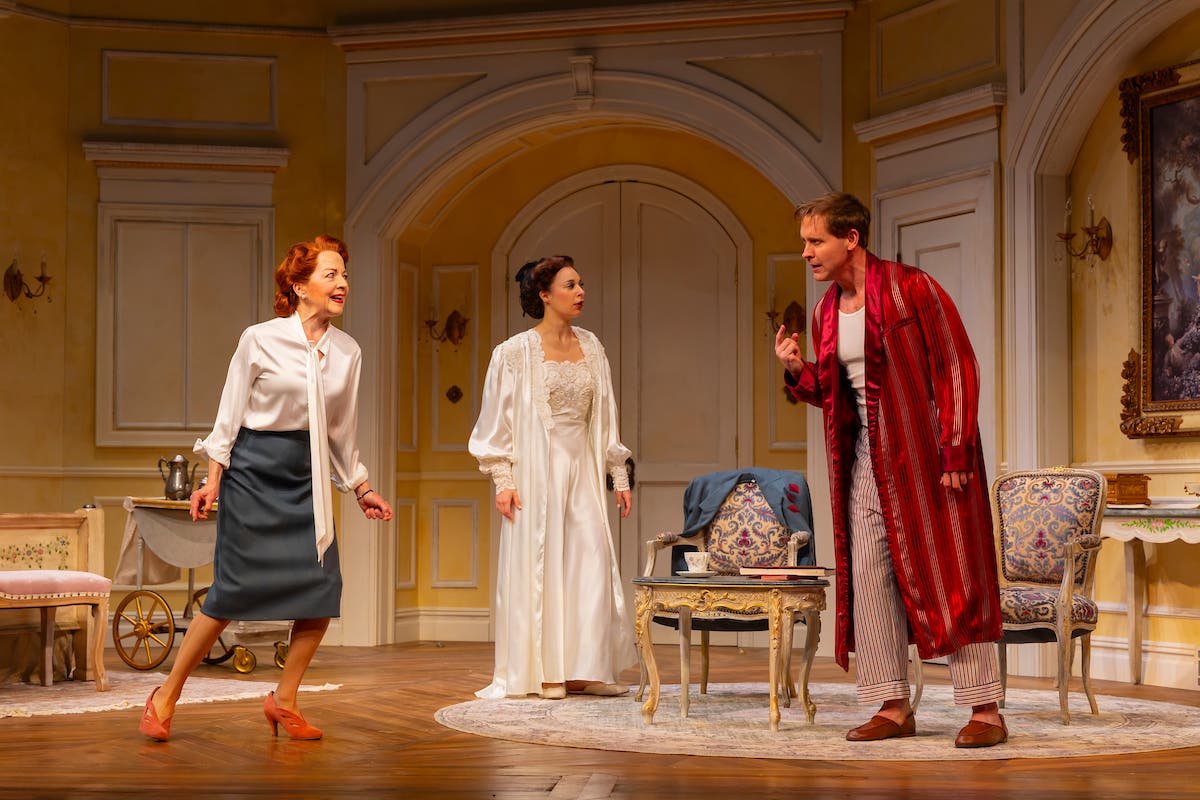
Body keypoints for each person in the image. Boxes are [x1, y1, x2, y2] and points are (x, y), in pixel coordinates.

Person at [138, 234, 393, 742]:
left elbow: (341, 429)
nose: (342, 284)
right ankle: (165, 695)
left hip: (307, 477)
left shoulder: (348, 352)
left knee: (320, 592)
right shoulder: (259, 339)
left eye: (345, 276)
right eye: (330, 275)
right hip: (254, 474)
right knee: (231, 591)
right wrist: (212, 480)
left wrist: (360, 486)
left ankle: (285, 700)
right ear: (299, 286)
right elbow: (229, 414)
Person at [774, 193, 1007, 748]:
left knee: (956, 574)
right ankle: (892, 704)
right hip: (866, 460)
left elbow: (957, 364)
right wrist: (798, 370)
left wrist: (955, 449)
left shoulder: (912, 289)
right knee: (871, 575)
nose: (806, 252)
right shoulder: (826, 312)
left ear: (850, 238)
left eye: (815, 241)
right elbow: (835, 393)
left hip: (929, 457)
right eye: (805, 242)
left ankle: (986, 709)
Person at [469, 255, 636, 700]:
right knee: (543, 565)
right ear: (544, 294)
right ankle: (546, 672)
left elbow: (606, 414)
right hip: (536, 471)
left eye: (581, 284)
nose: (580, 292)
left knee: (590, 561)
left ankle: (586, 667)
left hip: (582, 469)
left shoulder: (592, 346)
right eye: (570, 285)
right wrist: (503, 479)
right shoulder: (513, 352)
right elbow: (496, 422)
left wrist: (618, 473)